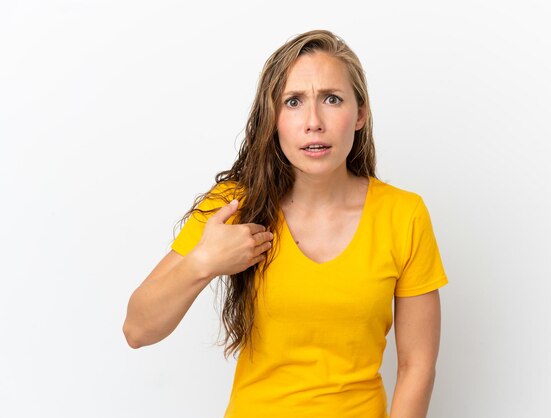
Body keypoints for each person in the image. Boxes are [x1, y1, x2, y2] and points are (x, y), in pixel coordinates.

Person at [123, 29, 448, 418]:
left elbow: (417, 366)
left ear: (360, 114)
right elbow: (137, 330)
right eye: (293, 102)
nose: (313, 121)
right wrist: (203, 262)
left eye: (332, 99)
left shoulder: (404, 215)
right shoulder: (233, 205)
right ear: (272, 118)